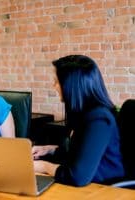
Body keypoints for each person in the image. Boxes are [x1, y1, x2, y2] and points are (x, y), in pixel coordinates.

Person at [32, 55, 125, 186]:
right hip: (88, 185)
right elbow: (80, 153)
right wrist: (49, 150)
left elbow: (77, 176)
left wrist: (43, 167)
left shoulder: (99, 119)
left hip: (106, 189)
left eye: (57, 82)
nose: (54, 86)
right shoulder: (83, 113)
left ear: (71, 86)